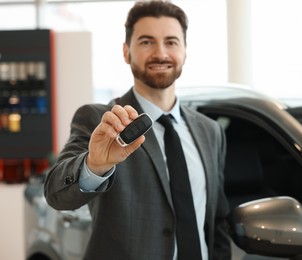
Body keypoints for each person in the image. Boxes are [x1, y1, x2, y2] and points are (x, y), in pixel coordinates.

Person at [44, 1, 232, 259]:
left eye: (171, 42)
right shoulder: (101, 120)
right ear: (126, 52)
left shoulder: (210, 131)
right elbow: (56, 194)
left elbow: (217, 220)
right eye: (146, 42)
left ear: (185, 51)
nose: (160, 53)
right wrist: (93, 165)